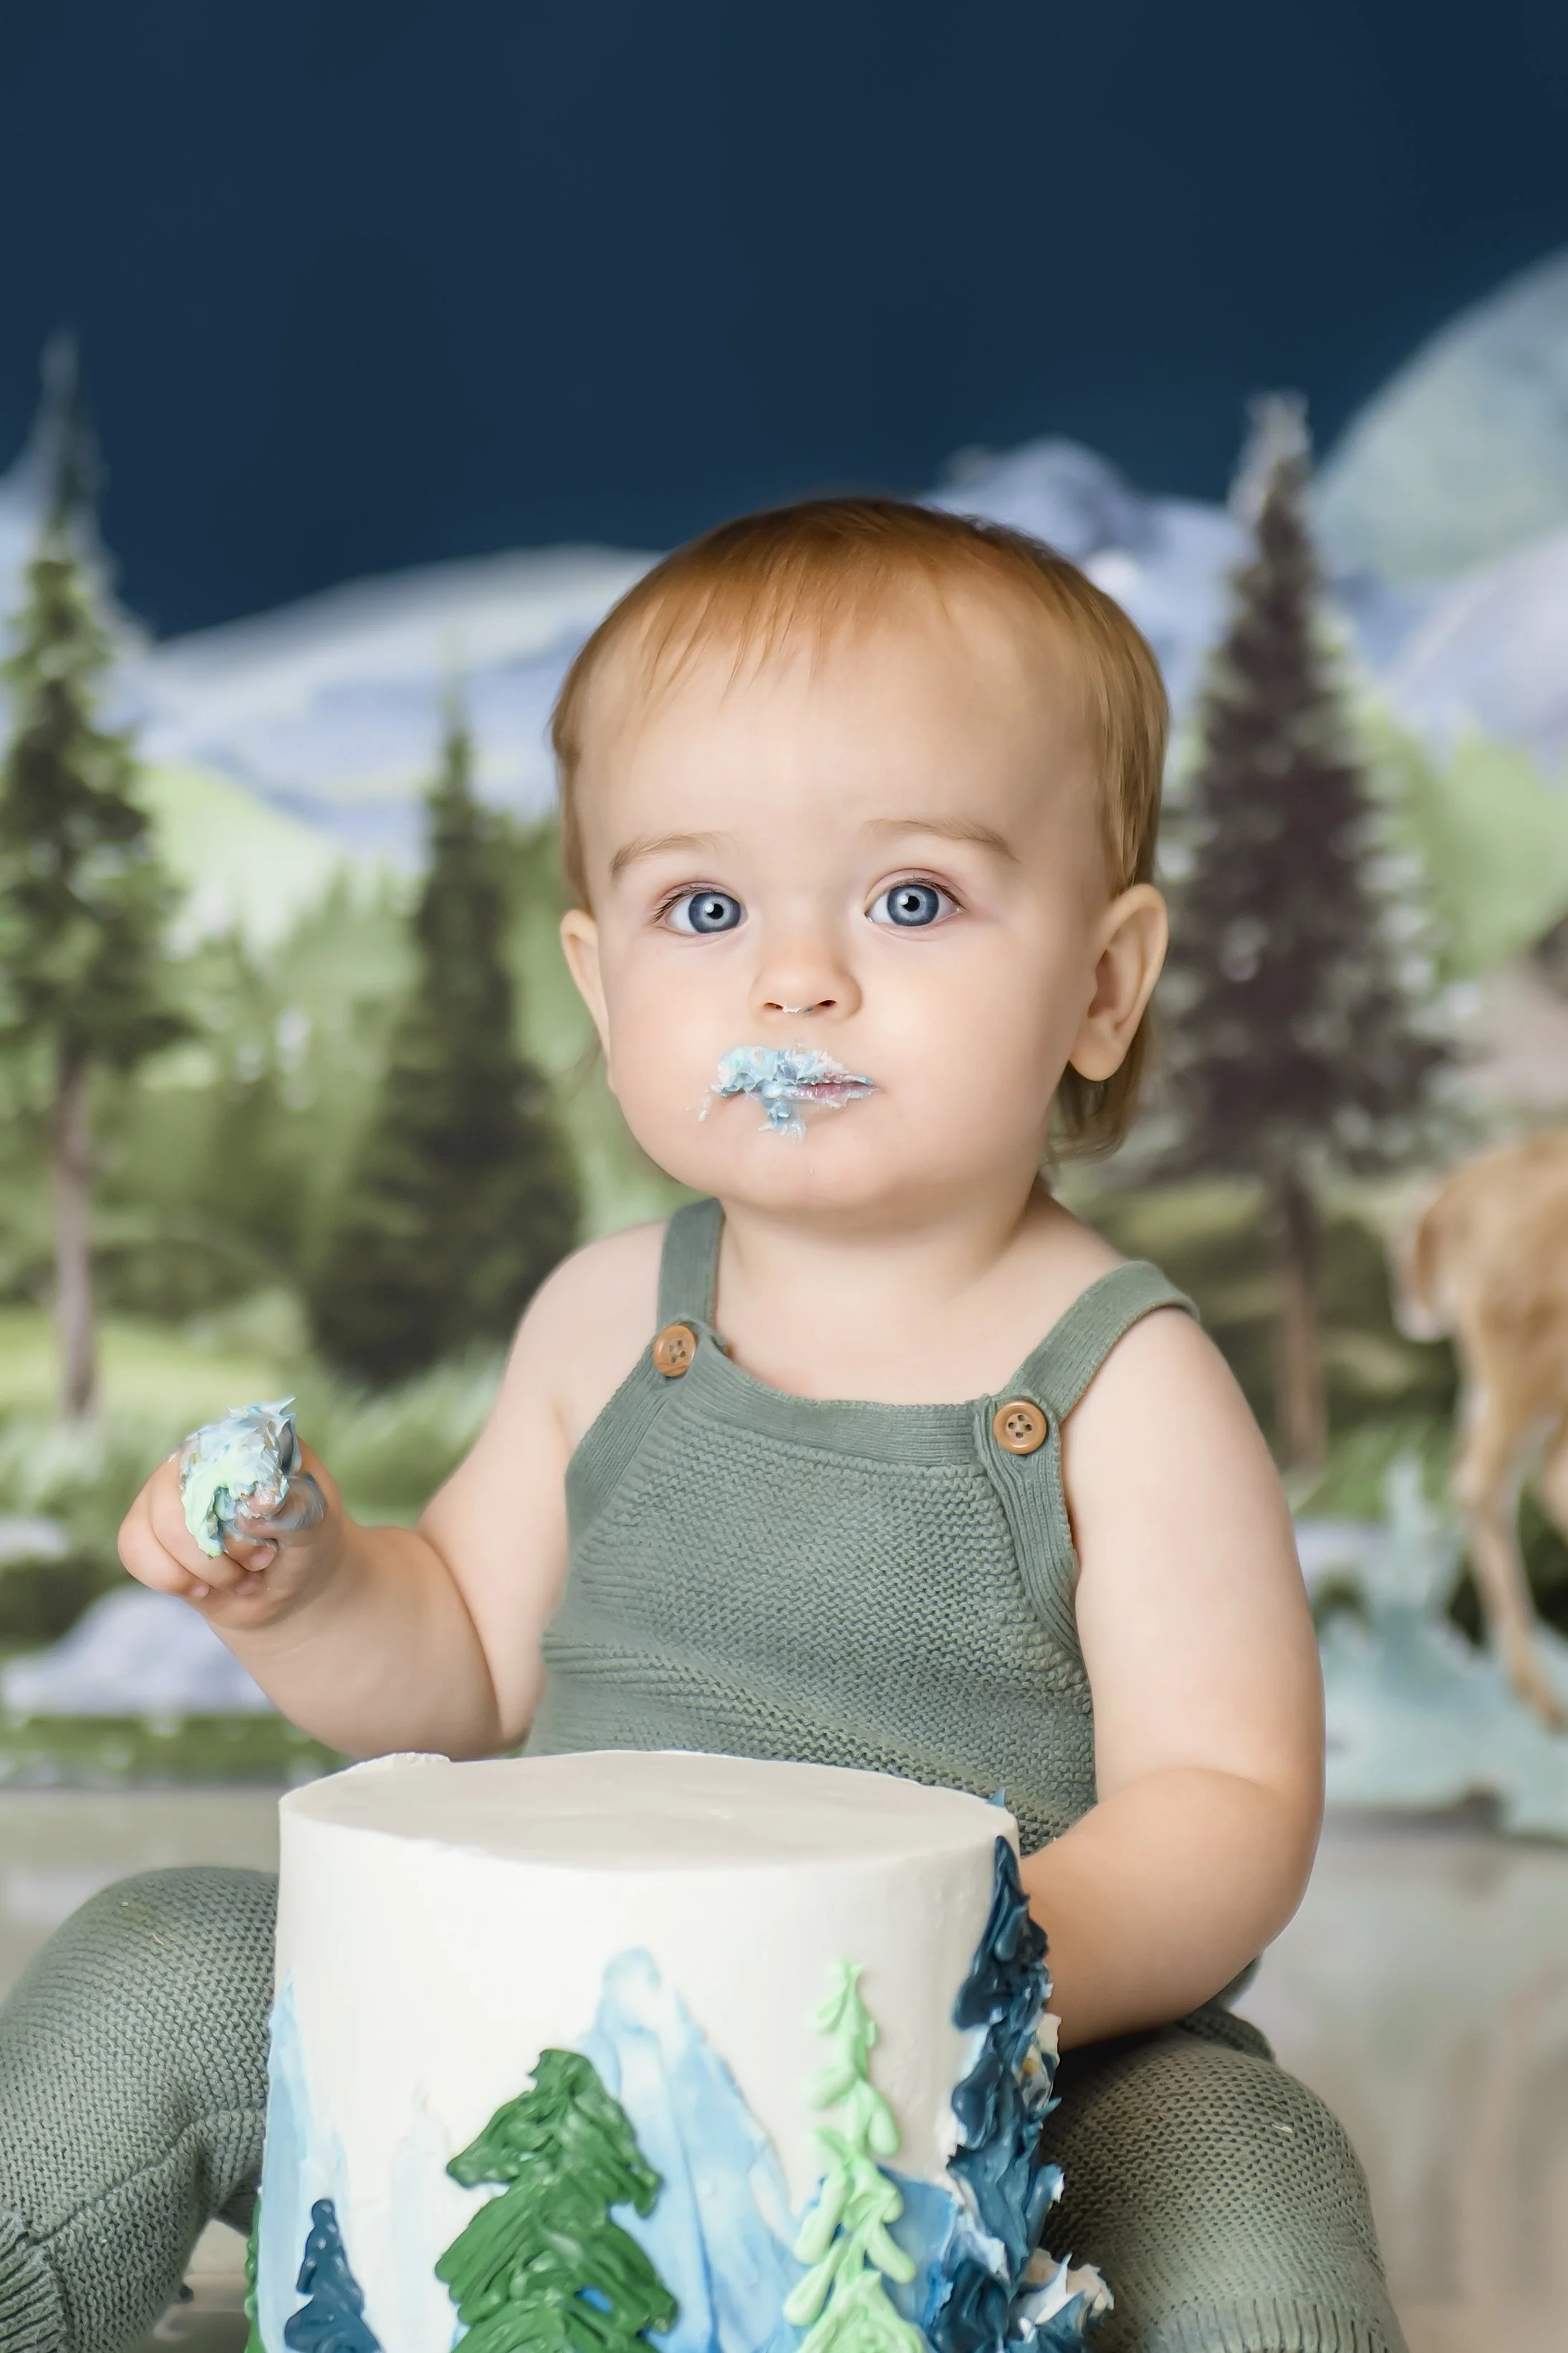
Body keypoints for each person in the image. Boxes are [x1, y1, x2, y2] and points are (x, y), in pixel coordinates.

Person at [0, 500, 1404, 2353]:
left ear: (1099, 983)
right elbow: (466, 1668)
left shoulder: (1119, 1380)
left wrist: (941, 1958)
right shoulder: (607, 1314)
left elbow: (1226, 1807)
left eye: (910, 898)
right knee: (160, 1959)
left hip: (1013, 2063)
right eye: (704, 906)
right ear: (600, 985)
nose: (793, 978)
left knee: (1254, 2169)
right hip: (547, 2019)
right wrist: (309, 1585)